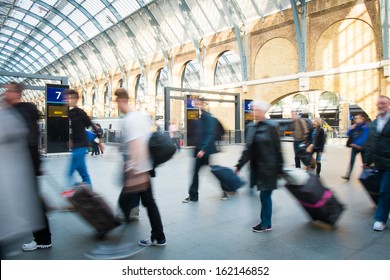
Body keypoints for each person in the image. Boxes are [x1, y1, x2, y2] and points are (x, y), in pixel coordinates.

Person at [2, 82, 51, 252]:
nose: (5, 93)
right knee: (32, 201)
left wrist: (34, 165)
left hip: (24, 165)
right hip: (25, 164)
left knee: (32, 204)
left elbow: (30, 140)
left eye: (8, 91)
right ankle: (42, 236)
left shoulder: (21, 112)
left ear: (16, 94)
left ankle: (42, 239)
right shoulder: (25, 110)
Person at [115, 88, 166, 246]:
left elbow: (137, 146)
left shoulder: (131, 119)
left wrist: (134, 171)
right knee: (149, 203)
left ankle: (118, 244)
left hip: (138, 169)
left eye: (116, 101)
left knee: (124, 204)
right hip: (144, 167)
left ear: (121, 100)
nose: (116, 104)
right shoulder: (139, 117)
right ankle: (159, 236)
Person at [235, 100, 284, 233]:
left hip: (269, 168)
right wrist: (239, 164)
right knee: (264, 196)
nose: (253, 112)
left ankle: (266, 224)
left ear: (262, 111)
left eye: (255, 109)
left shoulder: (271, 127)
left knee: (265, 196)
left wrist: (280, 168)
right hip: (258, 169)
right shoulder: (251, 127)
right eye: (252, 110)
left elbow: (278, 149)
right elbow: (248, 149)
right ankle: (265, 222)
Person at [182, 98, 219, 203]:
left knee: (197, 172)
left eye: (198, 103)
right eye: (196, 104)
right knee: (202, 172)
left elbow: (209, 134)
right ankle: (225, 189)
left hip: (204, 151)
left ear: (203, 104)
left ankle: (193, 196)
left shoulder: (208, 117)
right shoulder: (202, 116)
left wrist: (203, 149)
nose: (196, 105)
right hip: (200, 149)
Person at [363, 95, 390, 232]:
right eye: (379, 103)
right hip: (378, 164)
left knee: (384, 191)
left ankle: (380, 220)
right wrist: (366, 161)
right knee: (383, 190)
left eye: (384, 103)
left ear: (388, 104)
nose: (381, 106)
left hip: (389, 164)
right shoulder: (374, 123)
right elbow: (370, 144)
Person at [64, 89, 94, 188]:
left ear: (77, 99)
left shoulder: (80, 112)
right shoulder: (70, 113)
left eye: (72, 98)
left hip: (81, 146)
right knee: (83, 173)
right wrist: (71, 139)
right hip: (76, 146)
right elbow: (73, 129)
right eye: (68, 98)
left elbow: (89, 124)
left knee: (69, 172)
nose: (69, 100)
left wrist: (100, 140)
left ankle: (70, 192)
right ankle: (90, 193)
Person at [341, 114, 369, 180]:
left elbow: (364, 137)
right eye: (355, 119)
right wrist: (351, 129)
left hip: (362, 147)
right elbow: (348, 134)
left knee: (364, 162)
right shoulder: (355, 126)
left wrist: (356, 143)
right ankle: (348, 175)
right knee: (352, 161)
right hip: (354, 147)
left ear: (362, 119)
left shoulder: (365, 127)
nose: (356, 120)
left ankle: (367, 176)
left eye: (357, 118)